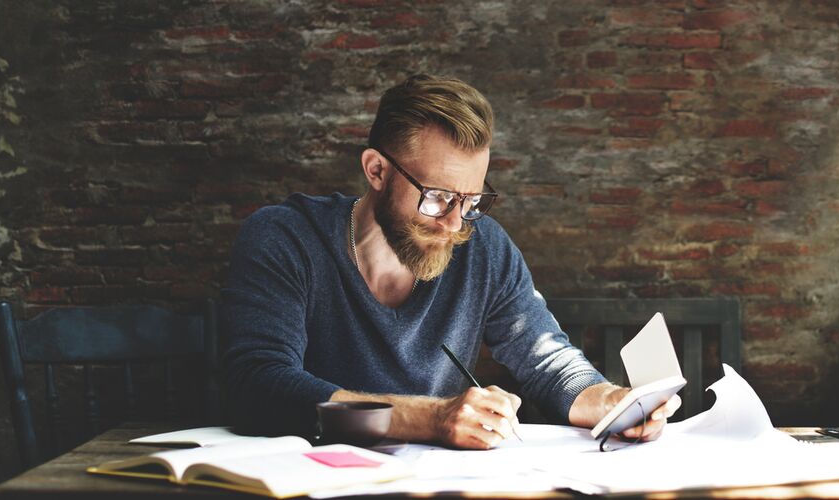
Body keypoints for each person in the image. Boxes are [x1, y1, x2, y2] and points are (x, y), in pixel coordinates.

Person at [220, 74, 679, 449]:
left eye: (472, 199)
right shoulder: (286, 238)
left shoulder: (484, 248)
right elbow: (259, 387)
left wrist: (608, 401)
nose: (455, 223)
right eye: (437, 197)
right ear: (376, 170)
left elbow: (546, 360)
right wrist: (431, 418)